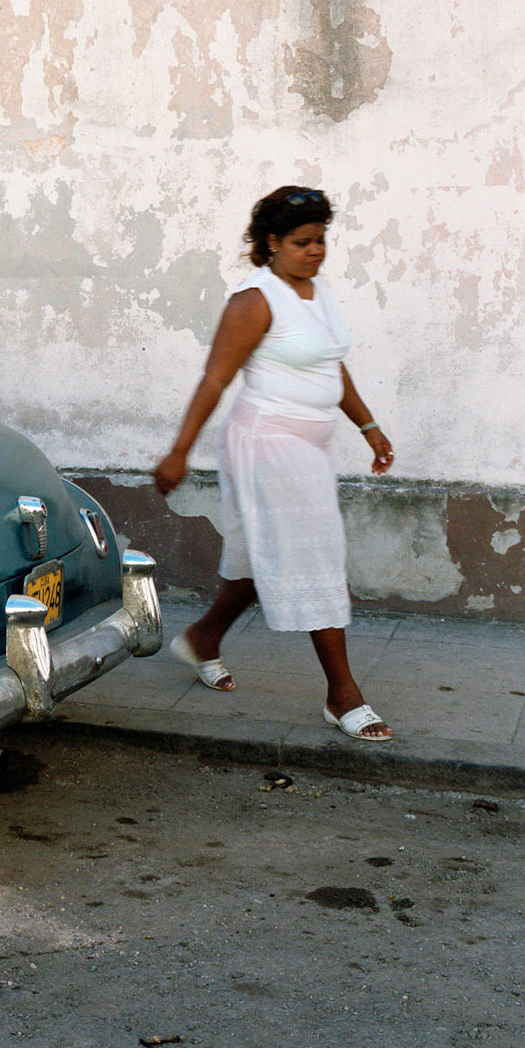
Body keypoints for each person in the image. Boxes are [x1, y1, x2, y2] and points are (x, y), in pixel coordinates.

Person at [152, 186, 395, 742]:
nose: (315, 251)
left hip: (310, 444)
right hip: (268, 443)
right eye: (303, 242)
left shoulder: (318, 291)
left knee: (258, 555)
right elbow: (215, 378)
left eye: (321, 240)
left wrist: (369, 426)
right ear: (272, 242)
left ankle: (203, 639)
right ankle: (343, 695)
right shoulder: (254, 301)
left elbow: (331, 365)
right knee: (314, 554)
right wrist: (180, 451)